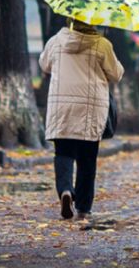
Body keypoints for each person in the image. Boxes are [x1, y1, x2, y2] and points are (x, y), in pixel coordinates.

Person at [38, 18, 124, 221]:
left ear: (71, 20)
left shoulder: (56, 41)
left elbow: (44, 65)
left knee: (63, 153)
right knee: (87, 158)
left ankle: (66, 190)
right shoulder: (102, 44)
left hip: (63, 106)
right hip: (91, 107)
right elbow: (117, 74)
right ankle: (83, 208)